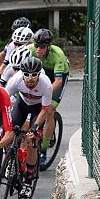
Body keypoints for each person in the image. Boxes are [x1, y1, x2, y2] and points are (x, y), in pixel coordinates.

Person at [5, 57, 53, 194]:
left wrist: (34, 127)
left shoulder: (46, 84)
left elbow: (45, 110)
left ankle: (28, 181)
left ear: (39, 74)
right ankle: (10, 159)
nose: (30, 78)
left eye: (34, 75)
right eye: (27, 75)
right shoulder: (16, 80)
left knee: (32, 141)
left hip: (38, 109)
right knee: (9, 130)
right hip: (22, 104)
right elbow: (5, 99)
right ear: (22, 74)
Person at [28, 29, 69, 164]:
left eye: (42, 47)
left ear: (49, 47)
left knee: (49, 110)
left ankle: (44, 150)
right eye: (37, 46)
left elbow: (58, 82)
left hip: (58, 76)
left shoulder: (58, 55)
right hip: (41, 74)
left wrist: (44, 93)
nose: (38, 49)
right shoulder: (30, 50)